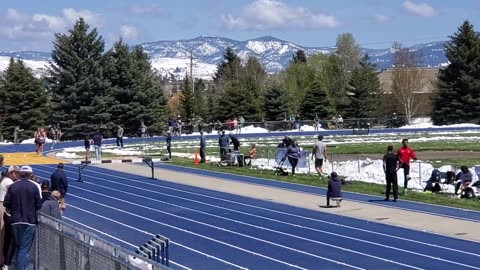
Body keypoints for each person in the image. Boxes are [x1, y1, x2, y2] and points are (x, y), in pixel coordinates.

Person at [3, 165, 43, 270]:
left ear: (20, 174)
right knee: (23, 249)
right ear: (30, 175)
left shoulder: (13, 186)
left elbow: (6, 203)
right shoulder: (34, 186)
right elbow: (39, 205)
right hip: (29, 220)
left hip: (15, 220)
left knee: (20, 247)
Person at [0, 165, 19, 267]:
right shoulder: (9, 182)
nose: (18, 175)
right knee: (4, 236)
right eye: (16, 173)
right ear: (11, 173)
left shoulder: (5, 179)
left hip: (2, 205)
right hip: (3, 207)